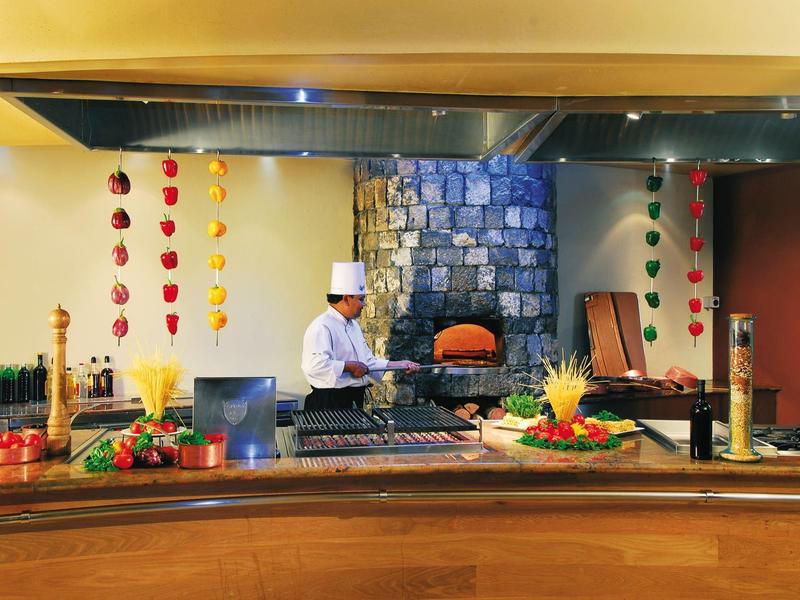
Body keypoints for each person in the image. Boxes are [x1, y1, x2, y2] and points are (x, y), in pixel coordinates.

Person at [301, 261, 420, 410]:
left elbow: (367, 362)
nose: (364, 304)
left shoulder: (353, 326)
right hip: (329, 403)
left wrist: (400, 365)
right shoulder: (321, 326)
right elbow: (314, 366)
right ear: (345, 299)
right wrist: (349, 366)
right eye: (361, 299)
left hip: (352, 401)